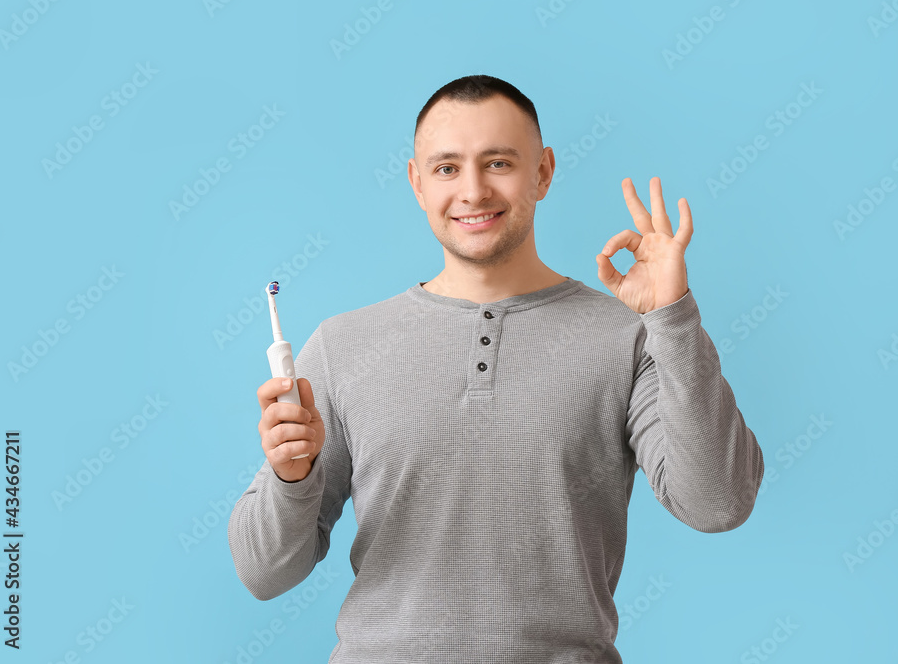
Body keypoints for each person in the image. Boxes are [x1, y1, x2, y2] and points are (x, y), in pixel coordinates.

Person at [228, 74, 765, 663]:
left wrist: (673, 317)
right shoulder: (342, 345)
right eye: (447, 168)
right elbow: (264, 573)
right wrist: (290, 479)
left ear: (543, 172)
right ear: (416, 182)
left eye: (499, 163)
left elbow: (718, 504)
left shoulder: (627, 338)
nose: (473, 190)